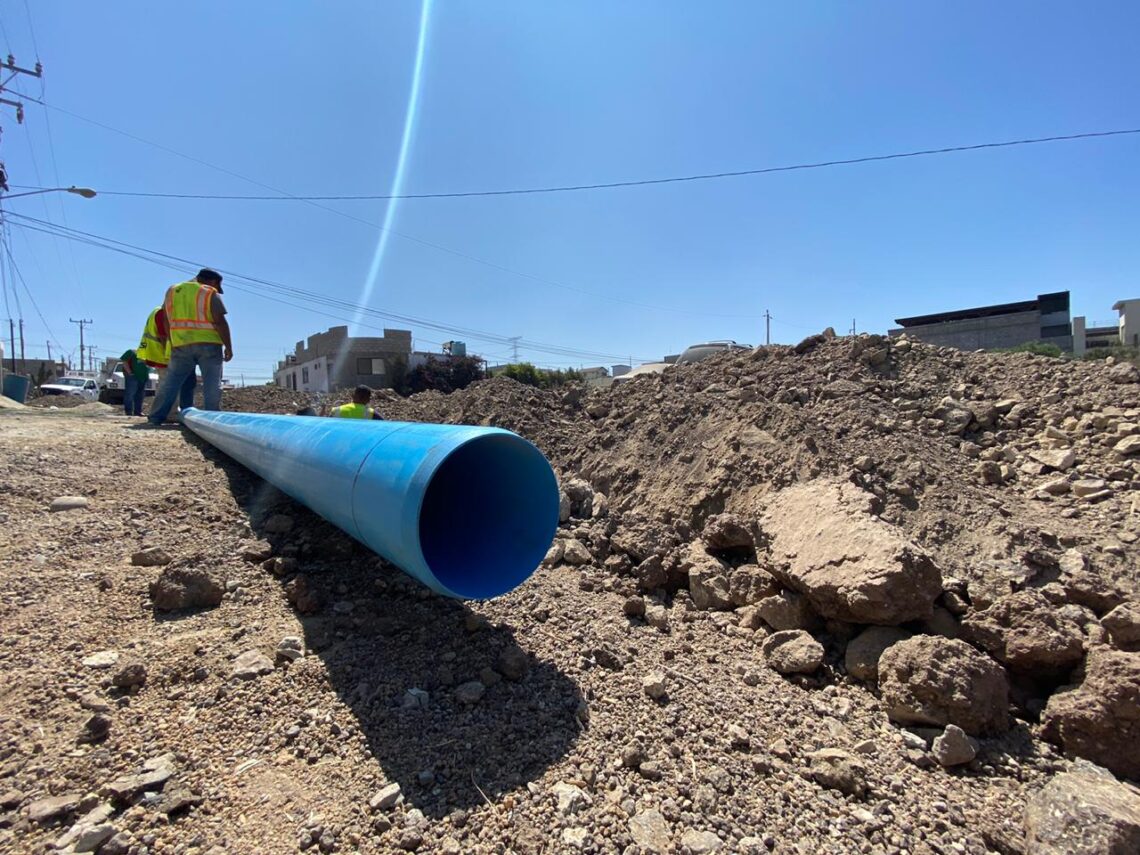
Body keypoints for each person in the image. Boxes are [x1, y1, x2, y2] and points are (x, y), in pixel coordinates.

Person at [147, 269, 233, 425]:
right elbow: (220, 321)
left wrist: (173, 341)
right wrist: (228, 346)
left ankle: (156, 417)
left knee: (171, 383)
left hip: (181, 344)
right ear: (213, 282)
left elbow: (166, 319)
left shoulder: (172, 291)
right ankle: (212, 419)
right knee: (212, 384)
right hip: (209, 344)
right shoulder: (209, 292)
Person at [136, 306, 195, 418]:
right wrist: (172, 354)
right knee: (168, 387)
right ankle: (169, 414)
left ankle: (160, 413)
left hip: (158, 355)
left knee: (164, 385)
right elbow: (163, 336)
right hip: (163, 356)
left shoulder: (156, 311)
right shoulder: (162, 313)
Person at [118, 346, 150, 416]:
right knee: (130, 394)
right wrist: (130, 372)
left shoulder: (147, 355)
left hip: (143, 378)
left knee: (140, 396)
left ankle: (138, 412)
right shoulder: (131, 352)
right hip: (133, 377)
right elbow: (124, 361)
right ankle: (128, 412)